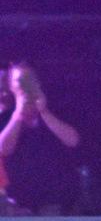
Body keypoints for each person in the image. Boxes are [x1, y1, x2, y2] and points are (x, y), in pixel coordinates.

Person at [1, 62, 83, 213]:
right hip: (20, 208)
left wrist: (44, 112)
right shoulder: (5, 117)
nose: (24, 85)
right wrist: (18, 116)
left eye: (28, 79)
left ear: (37, 82)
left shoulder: (59, 110)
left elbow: (73, 140)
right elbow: (3, 149)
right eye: (19, 80)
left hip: (59, 205)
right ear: (11, 87)